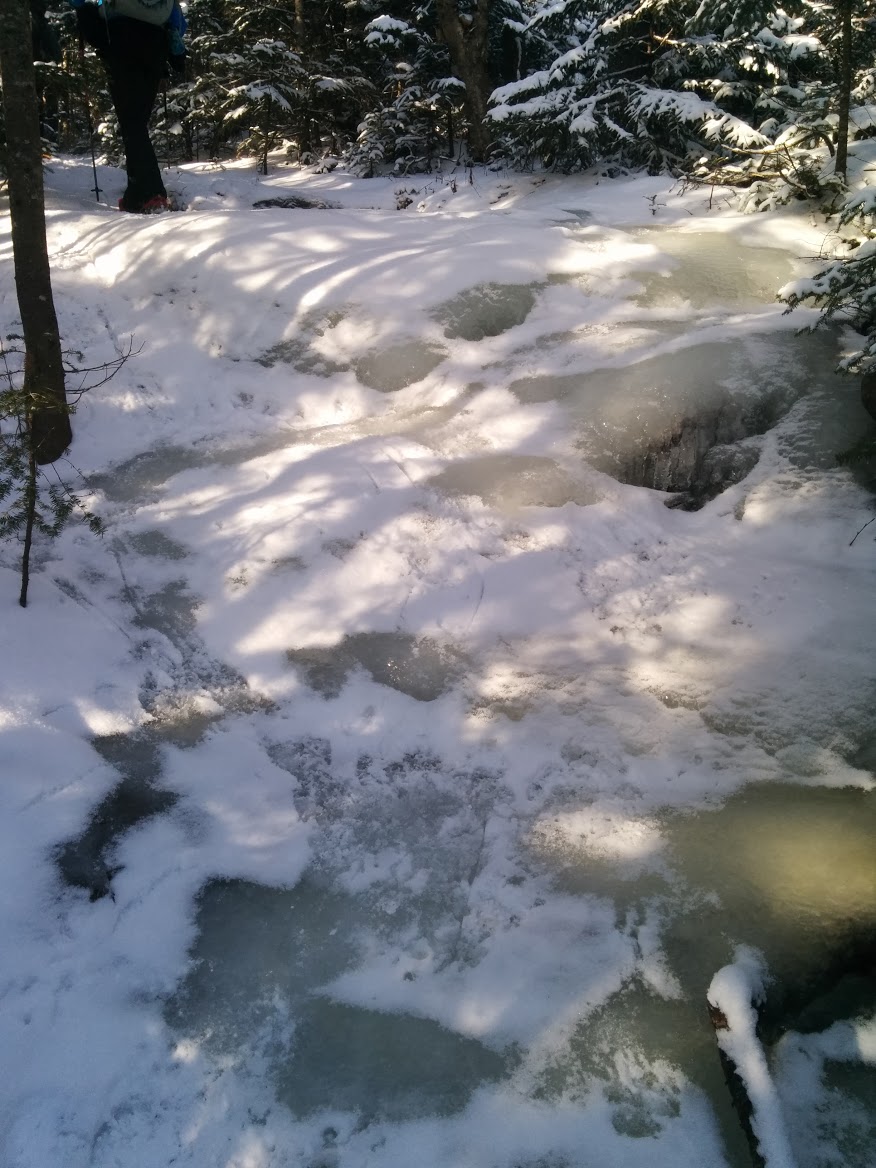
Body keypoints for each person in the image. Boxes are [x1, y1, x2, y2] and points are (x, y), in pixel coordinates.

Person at [71, 0, 186, 213]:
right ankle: (136, 195)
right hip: (156, 46)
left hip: (121, 43)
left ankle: (152, 193)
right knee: (137, 122)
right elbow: (179, 21)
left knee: (131, 122)